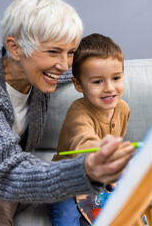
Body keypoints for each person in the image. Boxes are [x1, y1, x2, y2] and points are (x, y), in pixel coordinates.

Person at [0, 0, 135, 225]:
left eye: (70, 52)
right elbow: (5, 172)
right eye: (53, 52)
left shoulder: (40, 73)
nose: (64, 64)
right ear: (15, 48)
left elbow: (80, 73)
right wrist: (84, 171)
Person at [50, 33, 130, 225]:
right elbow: (84, 140)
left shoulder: (123, 109)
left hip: (100, 176)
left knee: (131, 204)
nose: (109, 88)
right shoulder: (79, 112)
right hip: (67, 178)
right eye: (97, 81)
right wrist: (103, 156)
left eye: (116, 78)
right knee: (65, 220)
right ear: (78, 84)